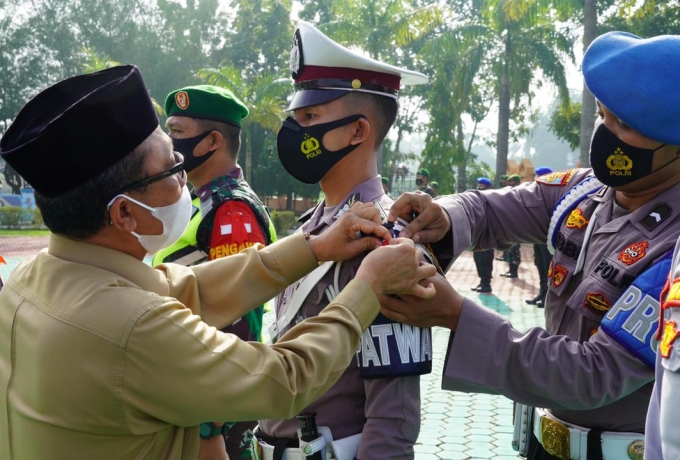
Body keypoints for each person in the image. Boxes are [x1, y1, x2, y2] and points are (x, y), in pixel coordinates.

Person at [0, 65, 437, 460]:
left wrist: (315, 247)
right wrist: (367, 287)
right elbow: (283, 378)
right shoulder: (132, 326)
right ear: (124, 213)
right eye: (170, 169)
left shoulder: (30, 280)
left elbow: (187, 288)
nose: (183, 177)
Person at [384, 31, 680, 460]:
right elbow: (489, 209)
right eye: (602, 116)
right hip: (545, 445)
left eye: (625, 126)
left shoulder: (674, 251)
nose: (605, 134)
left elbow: (594, 373)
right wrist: (443, 216)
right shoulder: (585, 192)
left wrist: (456, 315)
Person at [256, 21, 432, 460]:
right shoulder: (312, 229)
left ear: (358, 131)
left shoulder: (387, 245)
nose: (296, 131)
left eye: (310, 118)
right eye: (296, 117)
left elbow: (393, 423)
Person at [155, 85, 276, 459]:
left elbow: (237, 321)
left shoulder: (231, 211)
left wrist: (211, 424)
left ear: (212, 141)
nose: (169, 141)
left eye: (177, 131)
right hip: (191, 390)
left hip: (218, 413)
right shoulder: (199, 201)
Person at [526, 166, 554, 308]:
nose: (534, 179)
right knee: (540, 265)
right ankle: (542, 293)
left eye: (537, 176)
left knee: (548, 267)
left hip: (548, 238)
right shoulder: (537, 193)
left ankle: (546, 297)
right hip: (538, 238)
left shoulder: (552, 193)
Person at [471, 177, 494, 293]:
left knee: (485, 258)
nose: (479, 186)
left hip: (487, 234)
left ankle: (486, 283)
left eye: (482, 185)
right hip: (478, 234)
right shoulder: (477, 198)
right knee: (478, 258)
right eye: (478, 184)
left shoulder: (491, 199)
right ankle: (482, 281)